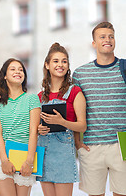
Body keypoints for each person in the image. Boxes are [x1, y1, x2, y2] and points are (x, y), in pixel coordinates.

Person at [73, 22, 126, 196]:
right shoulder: (79, 74)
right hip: (91, 147)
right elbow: (75, 112)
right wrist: (77, 141)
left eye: (111, 36)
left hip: (122, 145)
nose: (108, 40)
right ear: (94, 43)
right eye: (102, 37)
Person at [37, 42, 87, 196]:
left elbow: (82, 126)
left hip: (64, 153)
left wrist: (62, 122)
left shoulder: (75, 92)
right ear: (47, 65)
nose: (60, 65)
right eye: (56, 61)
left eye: (64, 61)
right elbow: (35, 125)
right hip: (44, 152)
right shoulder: (40, 96)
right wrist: (39, 129)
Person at [0, 58, 41, 196]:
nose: (18, 71)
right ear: (5, 75)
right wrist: (4, 161)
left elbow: (33, 132)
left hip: (25, 155)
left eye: (21, 69)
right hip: (2, 155)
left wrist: (29, 161)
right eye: (13, 69)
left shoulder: (32, 99)